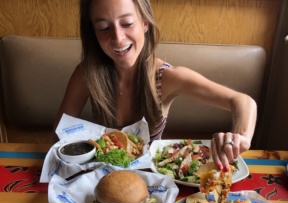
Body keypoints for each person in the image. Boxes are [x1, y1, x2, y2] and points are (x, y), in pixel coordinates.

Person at [54, 0, 257, 172]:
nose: (118, 37)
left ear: (145, 23)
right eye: (104, 28)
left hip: (153, 184)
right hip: (99, 180)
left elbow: (243, 101)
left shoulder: (167, 77)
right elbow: (60, 131)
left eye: (127, 23)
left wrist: (239, 138)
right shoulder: (86, 74)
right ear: (94, 34)